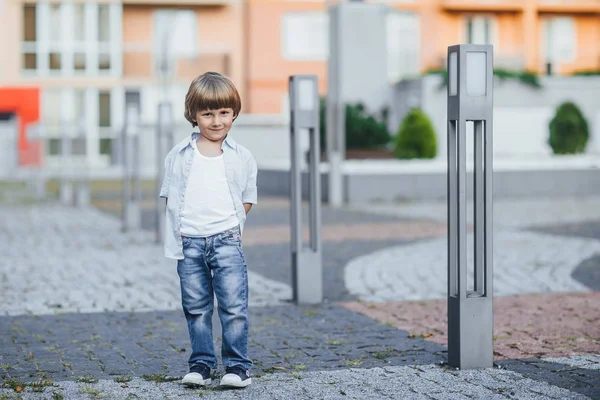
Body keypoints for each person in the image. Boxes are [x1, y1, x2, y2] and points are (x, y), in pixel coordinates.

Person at [159, 71, 257, 389]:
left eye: (224, 113)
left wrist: (229, 224)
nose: (217, 121)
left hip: (226, 239)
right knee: (196, 307)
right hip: (188, 242)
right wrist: (183, 230)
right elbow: (169, 198)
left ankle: (237, 367)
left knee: (233, 306)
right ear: (194, 115)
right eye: (208, 113)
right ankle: (201, 363)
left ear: (234, 113)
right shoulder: (178, 156)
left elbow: (248, 198)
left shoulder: (242, 157)